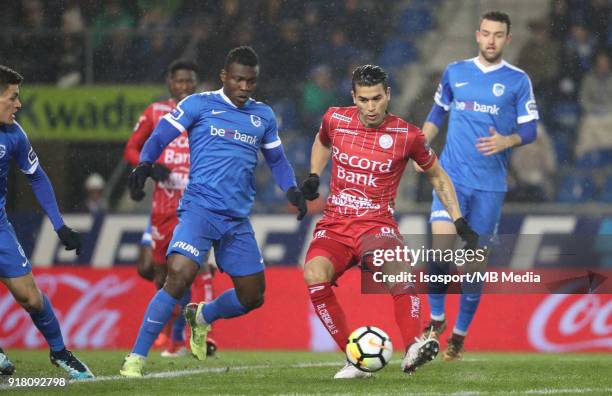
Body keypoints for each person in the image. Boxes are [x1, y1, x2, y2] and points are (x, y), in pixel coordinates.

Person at [120, 46, 307, 377]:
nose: (245, 87)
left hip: (236, 219)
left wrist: (292, 189)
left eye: (251, 81)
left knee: (253, 296)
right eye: (238, 80)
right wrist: (146, 164)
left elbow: (277, 160)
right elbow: (159, 135)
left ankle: (203, 316)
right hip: (199, 209)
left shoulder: (262, 115)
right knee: (178, 275)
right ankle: (136, 357)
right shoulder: (198, 104)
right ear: (224, 77)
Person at [299, 64, 478, 379]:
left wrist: (458, 218)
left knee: (399, 271)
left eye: (377, 99)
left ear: (388, 95)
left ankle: (413, 345)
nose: (371, 107)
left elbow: (437, 175)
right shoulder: (335, 119)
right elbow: (322, 141)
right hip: (335, 226)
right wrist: (315, 174)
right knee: (314, 272)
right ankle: (355, 360)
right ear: (353, 97)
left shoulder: (408, 135)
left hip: (376, 226)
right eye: (364, 99)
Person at [417, 11, 538, 360]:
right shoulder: (456, 71)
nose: (490, 40)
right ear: (476, 35)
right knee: (439, 250)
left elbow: (529, 130)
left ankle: (459, 334)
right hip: (451, 179)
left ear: (507, 39)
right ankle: (437, 318)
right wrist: (421, 143)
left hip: (489, 186)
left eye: (498, 35)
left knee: (474, 264)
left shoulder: (517, 80)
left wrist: (507, 140)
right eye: (485, 33)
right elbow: (438, 113)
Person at [0, 65, 93, 379]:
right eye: (13, 97)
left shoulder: (14, 135)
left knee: (30, 297)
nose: (19, 104)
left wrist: (59, 225)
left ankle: (60, 353)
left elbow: (36, 177)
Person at [123, 58, 216, 358]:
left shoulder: (207, 112)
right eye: (180, 81)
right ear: (170, 83)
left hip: (195, 206)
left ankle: (181, 338)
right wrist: (150, 168)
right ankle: (170, 333)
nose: (185, 86)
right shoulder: (155, 112)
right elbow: (132, 149)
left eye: (190, 81)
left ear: (197, 84)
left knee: (188, 269)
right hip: (163, 207)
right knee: (159, 274)